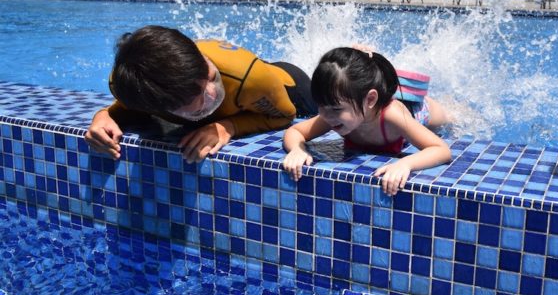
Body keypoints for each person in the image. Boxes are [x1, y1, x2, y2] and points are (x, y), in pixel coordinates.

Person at [85, 25, 317, 163]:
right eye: (197, 97)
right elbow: (126, 109)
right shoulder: (128, 84)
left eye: (209, 75)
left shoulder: (250, 78)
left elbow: (284, 116)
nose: (211, 89)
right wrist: (104, 116)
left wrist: (228, 127)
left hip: (291, 86)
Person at [282, 46, 452, 196]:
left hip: (418, 111)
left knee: (450, 118)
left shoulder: (392, 115)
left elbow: (441, 149)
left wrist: (405, 164)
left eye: (335, 108)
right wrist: (297, 149)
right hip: (364, 99)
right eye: (321, 106)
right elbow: (295, 131)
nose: (326, 116)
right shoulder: (333, 113)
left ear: (370, 100)